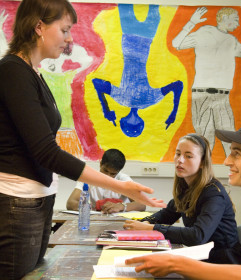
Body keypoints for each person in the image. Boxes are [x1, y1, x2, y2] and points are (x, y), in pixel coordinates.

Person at [0, 1, 165, 279]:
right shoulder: (13, 72)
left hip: (38, 198)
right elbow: (46, 152)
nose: (69, 38)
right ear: (39, 27)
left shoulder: (33, 73)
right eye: (64, 29)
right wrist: (119, 186)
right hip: (19, 200)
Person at [126, 121, 241, 280]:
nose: (226, 161)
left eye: (237, 153)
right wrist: (139, 225)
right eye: (178, 154)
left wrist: (175, 263)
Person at [124, 133, 241, 264]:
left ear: (203, 162)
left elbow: (197, 236)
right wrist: (145, 222)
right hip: (202, 257)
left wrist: (151, 228)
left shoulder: (213, 193)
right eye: (178, 154)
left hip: (222, 263)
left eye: (188, 156)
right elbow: (167, 214)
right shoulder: (187, 188)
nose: (180, 160)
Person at [172, 7, 241, 156]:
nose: (237, 24)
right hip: (201, 95)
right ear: (224, 19)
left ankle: (233, 174)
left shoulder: (231, 41)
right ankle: (202, 176)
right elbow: (176, 43)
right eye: (235, 20)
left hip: (222, 97)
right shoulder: (204, 33)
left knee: (229, 139)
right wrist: (191, 22)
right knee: (204, 142)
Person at [67, 149, 146, 213]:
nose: (108, 176)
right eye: (105, 171)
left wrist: (121, 206)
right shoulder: (88, 178)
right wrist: (89, 207)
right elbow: (70, 203)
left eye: (113, 174)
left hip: (119, 223)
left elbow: (142, 204)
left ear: (119, 171)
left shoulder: (124, 180)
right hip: (95, 220)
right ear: (101, 164)